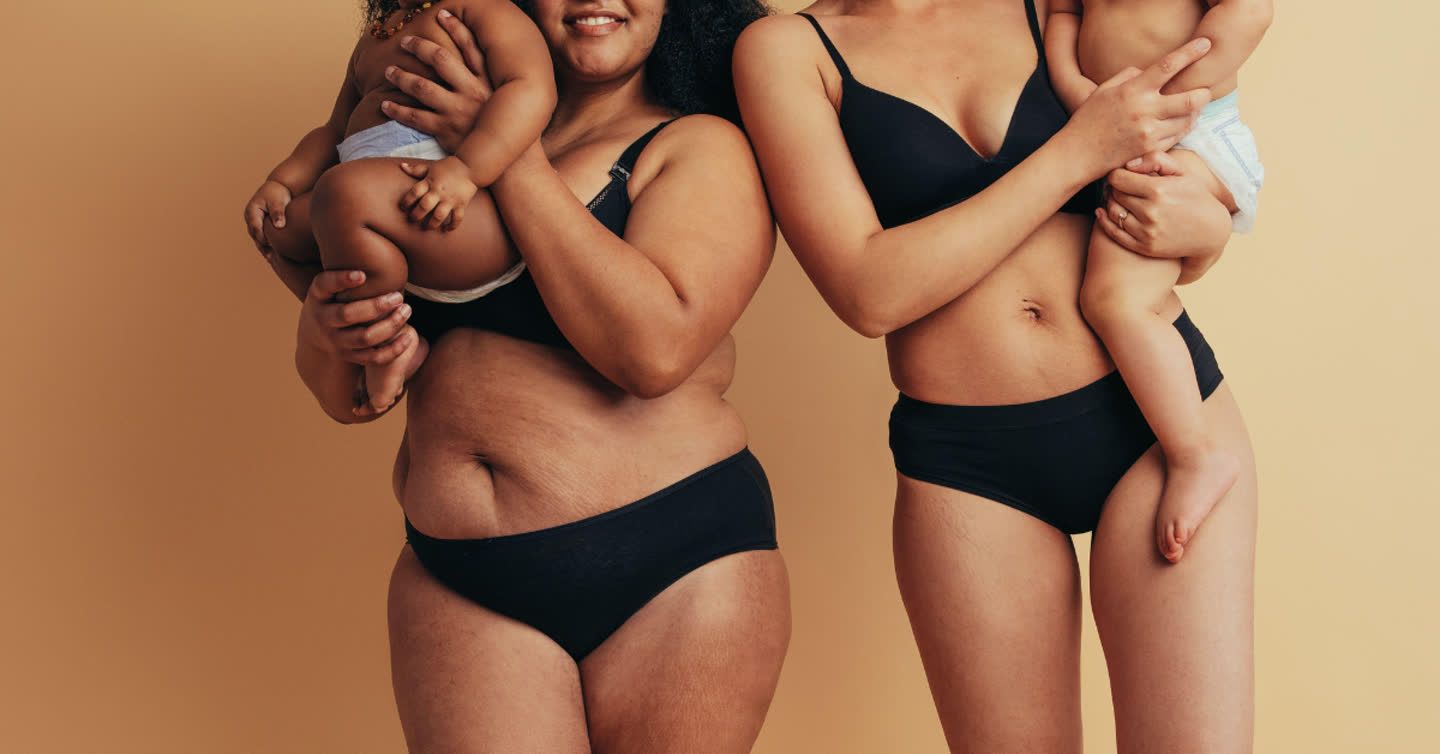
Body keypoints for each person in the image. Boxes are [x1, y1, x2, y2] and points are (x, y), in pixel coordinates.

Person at [258, 1, 787, 749]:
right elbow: (347, 398)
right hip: (461, 579)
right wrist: (330, 333)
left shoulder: (696, 146)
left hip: (676, 566)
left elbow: (653, 354)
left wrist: (509, 154)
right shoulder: (425, 145)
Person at [735, 0, 1258, 750]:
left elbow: (1186, 132)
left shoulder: (1049, 3)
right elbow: (868, 290)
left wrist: (1208, 231)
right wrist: (1075, 152)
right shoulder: (787, 50)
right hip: (970, 466)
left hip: (1155, 424)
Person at [244, 0, 556, 414]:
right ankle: (369, 334)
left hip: (456, 205)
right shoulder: (375, 36)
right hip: (367, 202)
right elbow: (333, 130)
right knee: (279, 228)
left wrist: (466, 169)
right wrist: (282, 181)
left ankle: (385, 350)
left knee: (342, 192)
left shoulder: (483, 10)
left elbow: (531, 88)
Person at [1048, 0, 1270, 562]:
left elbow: (1250, 12)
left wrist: (1161, 107)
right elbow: (1061, 18)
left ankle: (1196, 454)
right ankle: (1193, 449)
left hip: (1196, 133)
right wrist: (1082, 99)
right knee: (1117, 298)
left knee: (1115, 299)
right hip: (1121, 132)